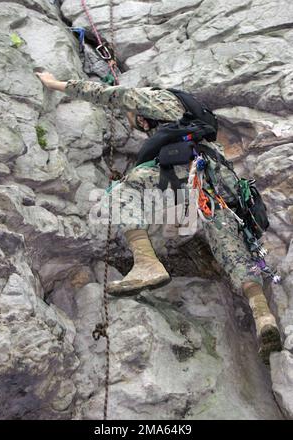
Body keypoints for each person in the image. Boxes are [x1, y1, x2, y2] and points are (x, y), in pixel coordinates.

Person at [36, 72, 282, 363]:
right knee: (231, 248)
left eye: (137, 119)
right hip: (217, 180)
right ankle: (263, 316)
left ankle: (146, 263)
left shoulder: (160, 99)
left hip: (183, 169)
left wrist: (57, 84)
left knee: (121, 193)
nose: (138, 123)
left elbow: (115, 94)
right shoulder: (196, 116)